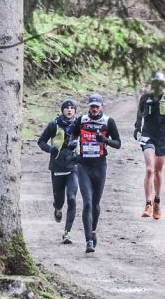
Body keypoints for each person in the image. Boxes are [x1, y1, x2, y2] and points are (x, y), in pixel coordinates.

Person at [71, 93, 121, 253]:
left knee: (95, 204)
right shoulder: (81, 120)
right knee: (87, 203)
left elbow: (118, 143)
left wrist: (105, 140)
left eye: (96, 106)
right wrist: (73, 143)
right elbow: (73, 134)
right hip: (83, 165)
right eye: (91, 106)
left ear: (101, 106)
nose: (93, 109)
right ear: (88, 106)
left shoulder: (108, 122)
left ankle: (93, 231)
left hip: (100, 167)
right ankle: (88, 241)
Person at [134, 71, 165, 220]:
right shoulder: (145, 98)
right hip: (148, 135)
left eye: (159, 84)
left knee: (158, 172)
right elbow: (139, 115)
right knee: (149, 169)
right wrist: (137, 127)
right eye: (154, 84)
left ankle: (157, 202)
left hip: (162, 136)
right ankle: (147, 203)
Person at [37, 98, 79, 244]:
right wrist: (51, 149)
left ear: (75, 111)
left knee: (72, 198)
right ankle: (57, 209)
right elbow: (41, 141)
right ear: (62, 110)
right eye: (66, 108)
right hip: (57, 167)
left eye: (72, 108)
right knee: (59, 200)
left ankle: (67, 233)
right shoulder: (53, 125)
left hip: (74, 166)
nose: (69, 110)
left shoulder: (79, 125)